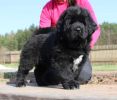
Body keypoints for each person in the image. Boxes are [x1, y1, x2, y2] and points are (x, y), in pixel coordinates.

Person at [39, 0, 101, 84]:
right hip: (59, 52)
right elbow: (45, 34)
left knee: (83, 76)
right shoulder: (48, 8)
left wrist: (86, 47)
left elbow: (94, 28)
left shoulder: (82, 2)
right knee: (54, 76)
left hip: (80, 49)